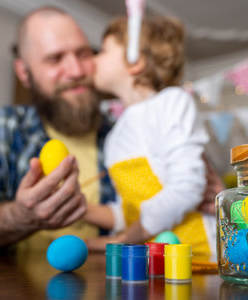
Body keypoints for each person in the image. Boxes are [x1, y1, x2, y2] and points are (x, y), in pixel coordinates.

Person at [0, 6, 222, 251]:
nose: (78, 69)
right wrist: (29, 213)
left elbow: (184, 186)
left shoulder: (118, 128)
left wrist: (221, 199)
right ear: (24, 72)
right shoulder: (1, 127)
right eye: (55, 59)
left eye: (87, 53)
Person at [83, 16, 217, 259]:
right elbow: (131, 211)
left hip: (197, 259)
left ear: (135, 62)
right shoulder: (114, 135)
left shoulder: (172, 102)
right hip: (148, 264)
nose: (93, 60)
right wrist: (82, 209)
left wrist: (124, 239)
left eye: (102, 51)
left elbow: (187, 188)